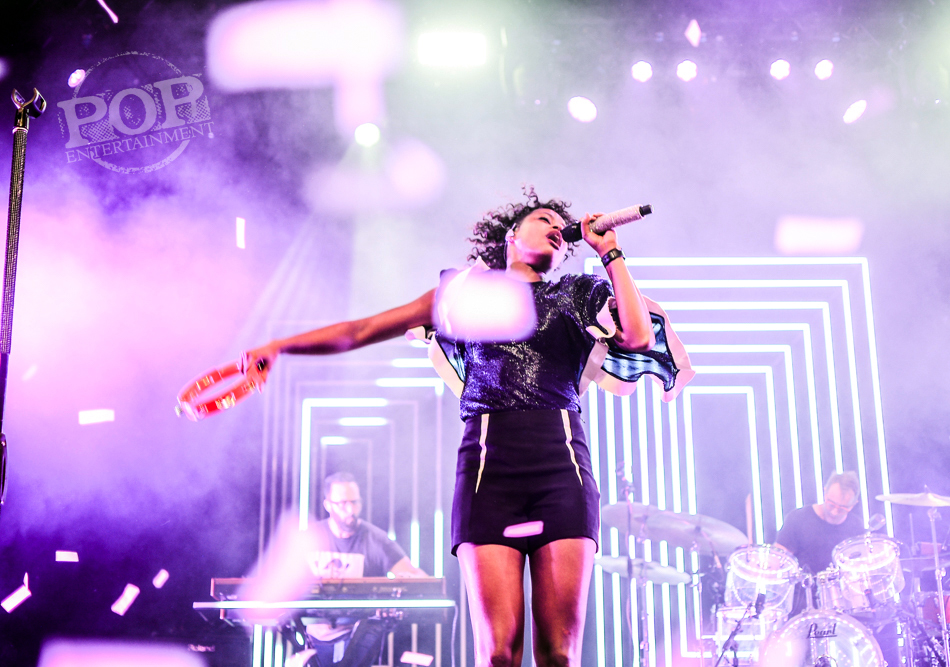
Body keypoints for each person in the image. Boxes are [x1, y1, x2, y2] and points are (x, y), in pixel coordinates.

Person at [243, 189, 689, 667]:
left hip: (563, 473)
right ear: (512, 235)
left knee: (559, 654)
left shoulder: (578, 293)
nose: (556, 229)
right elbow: (362, 329)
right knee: (497, 653)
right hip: (486, 474)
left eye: (560, 228)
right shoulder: (465, 295)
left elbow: (638, 336)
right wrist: (280, 346)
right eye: (543, 219)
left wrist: (610, 252)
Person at [302, 472, 426, 667]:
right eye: (343, 503)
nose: (350, 509)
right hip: (315, 638)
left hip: (359, 638)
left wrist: (410, 580)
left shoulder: (375, 539)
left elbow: (415, 577)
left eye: (355, 502)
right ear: (328, 505)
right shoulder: (309, 538)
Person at [775, 470, 865, 576]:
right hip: (802, 585)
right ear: (825, 493)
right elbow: (778, 559)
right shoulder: (798, 518)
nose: (834, 512)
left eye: (842, 508)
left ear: (853, 504)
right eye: (831, 504)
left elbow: (862, 565)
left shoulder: (856, 526)